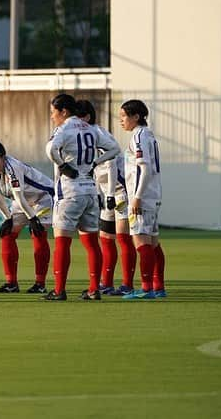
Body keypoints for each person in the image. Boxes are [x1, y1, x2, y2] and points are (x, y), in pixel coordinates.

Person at [44, 93, 120, 301]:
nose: (52, 117)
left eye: (53, 112)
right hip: (90, 189)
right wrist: (96, 162)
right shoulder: (91, 128)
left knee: (62, 241)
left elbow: (50, 148)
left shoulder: (64, 128)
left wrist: (62, 164)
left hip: (69, 189)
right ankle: (94, 289)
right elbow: (114, 148)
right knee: (92, 243)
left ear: (64, 111)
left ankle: (59, 290)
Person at [76, 100, 136, 296]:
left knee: (123, 238)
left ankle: (127, 284)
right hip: (106, 191)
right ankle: (107, 283)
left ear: (85, 117)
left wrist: (109, 194)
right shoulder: (82, 135)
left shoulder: (96, 133)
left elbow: (110, 164)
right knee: (106, 239)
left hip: (120, 190)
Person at [0, 141, 53, 294]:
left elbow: (18, 195)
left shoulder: (13, 167)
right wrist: (7, 218)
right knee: (7, 234)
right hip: (21, 201)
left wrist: (32, 219)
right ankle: (11, 283)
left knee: (37, 234)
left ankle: (40, 284)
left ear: (3, 158)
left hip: (43, 198)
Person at [119, 99, 166, 299]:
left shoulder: (138, 136)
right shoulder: (149, 135)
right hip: (153, 194)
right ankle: (158, 286)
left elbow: (144, 168)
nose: (121, 121)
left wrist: (136, 197)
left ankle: (146, 288)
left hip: (143, 197)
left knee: (141, 241)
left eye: (123, 116)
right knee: (153, 243)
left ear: (136, 117)